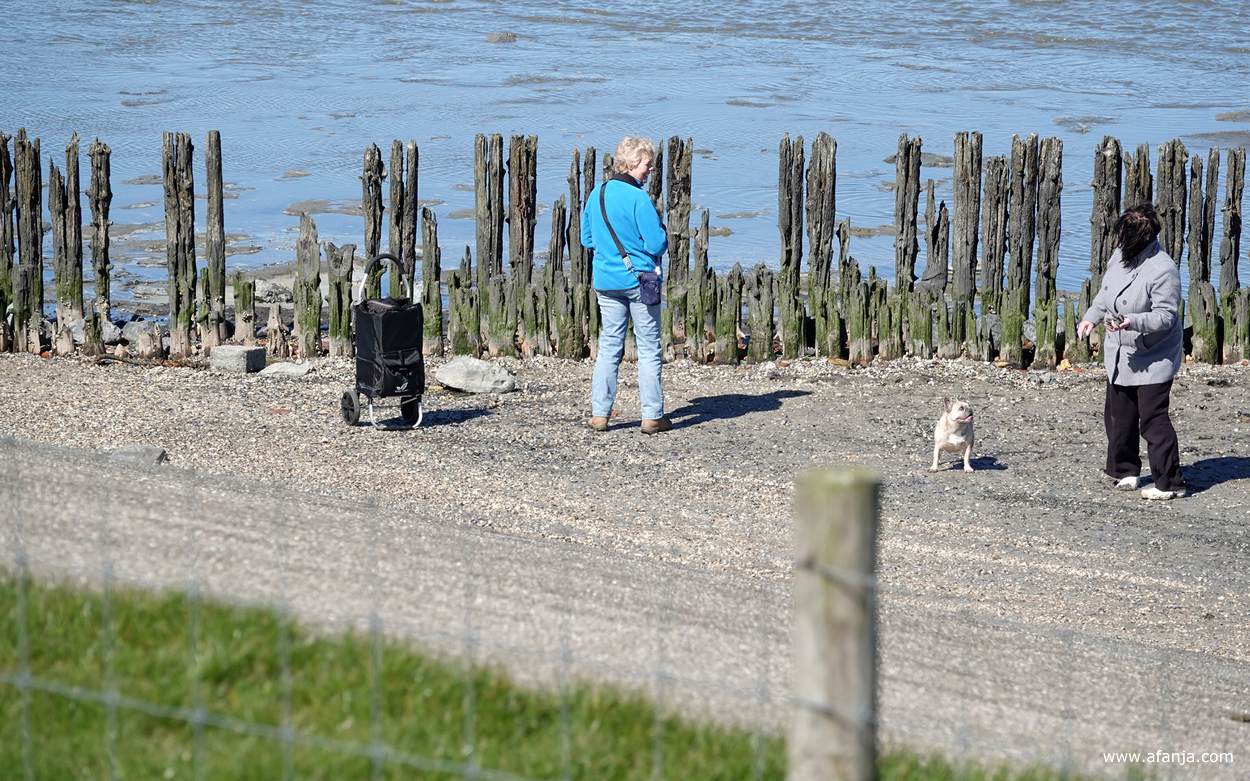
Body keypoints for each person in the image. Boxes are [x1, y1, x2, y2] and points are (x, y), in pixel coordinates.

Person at [1077, 203, 1186, 500]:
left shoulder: (1163, 269)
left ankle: (1169, 482)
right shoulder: (1119, 256)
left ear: (1143, 237)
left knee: (1153, 419)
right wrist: (1090, 318)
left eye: (1126, 236)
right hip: (1119, 351)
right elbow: (1105, 293)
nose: (1120, 242)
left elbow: (1166, 316)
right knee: (1118, 416)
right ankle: (1125, 470)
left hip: (1153, 354)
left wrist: (1132, 321)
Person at [580, 136, 671, 434]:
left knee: (609, 346)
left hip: (606, 280)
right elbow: (657, 243)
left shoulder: (598, 193)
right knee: (647, 348)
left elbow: (587, 239)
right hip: (640, 280)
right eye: (647, 164)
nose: (650, 170)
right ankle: (652, 415)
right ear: (632, 163)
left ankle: (600, 413)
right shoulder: (639, 199)